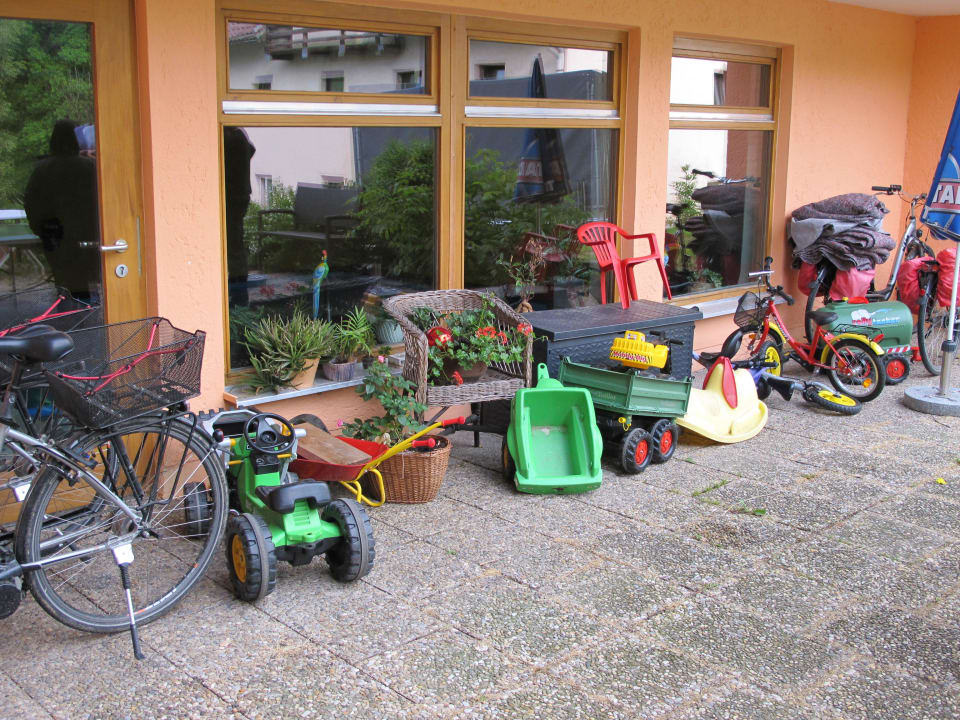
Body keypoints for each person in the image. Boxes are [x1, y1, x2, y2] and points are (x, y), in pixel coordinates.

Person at [23, 119, 100, 301]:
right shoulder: (89, 167)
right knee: (87, 284)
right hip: (86, 235)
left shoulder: (42, 170)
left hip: (56, 236)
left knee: (65, 285)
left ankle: (70, 318)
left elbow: (31, 203)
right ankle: (88, 319)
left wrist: (42, 229)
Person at [223, 127, 256, 307]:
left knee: (234, 246)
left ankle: (239, 295)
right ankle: (238, 293)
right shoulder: (239, 134)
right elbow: (252, 150)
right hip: (240, 194)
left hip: (233, 196)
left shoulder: (231, 136)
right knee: (235, 244)